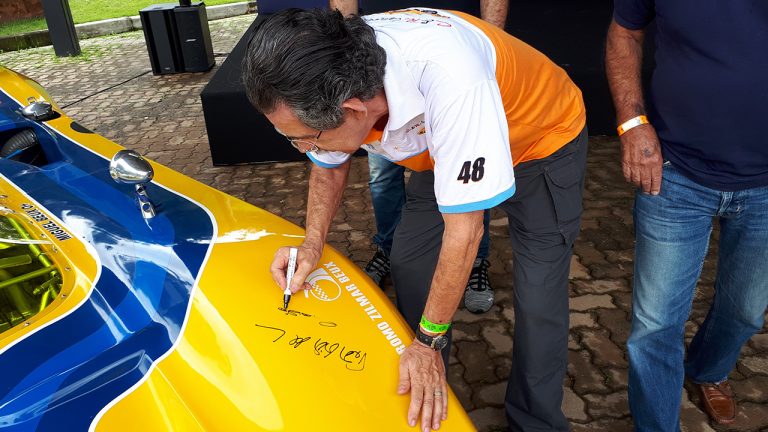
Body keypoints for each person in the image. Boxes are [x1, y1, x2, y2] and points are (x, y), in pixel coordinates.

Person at [244, 8, 586, 431]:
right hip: (444, 143)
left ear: (353, 109)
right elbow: (328, 165)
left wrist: (427, 342)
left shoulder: (451, 78)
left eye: (302, 138)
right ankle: (432, 398)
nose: (300, 149)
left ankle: (535, 422)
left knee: (538, 294)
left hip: (541, 138)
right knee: (410, 260)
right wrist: (312, 243)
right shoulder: (333, 72)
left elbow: (465, 231)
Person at [605, 1, 768, 429]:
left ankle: (708, 369)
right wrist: (632, 123)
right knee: (655, 326)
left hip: (765, 184)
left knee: (746, 311)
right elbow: (625, 32)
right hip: (675, 171)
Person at [330, 0, 509, 314]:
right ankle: (388, 250)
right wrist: (344, 59)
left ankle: (476, 261)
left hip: (446, 53)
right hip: (377, 60)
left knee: (469, 177)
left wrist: (488, 42)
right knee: (383, 178)